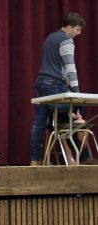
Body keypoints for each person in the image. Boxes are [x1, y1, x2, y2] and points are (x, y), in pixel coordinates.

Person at [30, 12, 98, 166]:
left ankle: (34, 160)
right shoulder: (66, 40)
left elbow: (53, 64)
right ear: (69, 27)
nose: (79, 33)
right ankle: (84, 157)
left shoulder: (49, 38)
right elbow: (70, 68)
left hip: (41, 83)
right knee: (76, 115)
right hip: (54, 84)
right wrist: (77, 93)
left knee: (39, 123)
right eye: (78, 29)